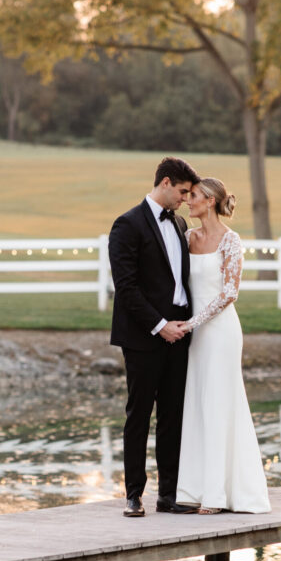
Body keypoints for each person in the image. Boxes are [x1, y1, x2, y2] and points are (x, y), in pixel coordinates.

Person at [109, 156, 201, 517]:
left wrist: (182, 324)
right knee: (139, 414)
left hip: (179, 334)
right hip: (144, 336)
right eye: (182, 192)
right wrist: (159, 324)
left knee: (173, 416)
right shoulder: (127, 225)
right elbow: (126, 288)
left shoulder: (178, 224)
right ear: (164, 183)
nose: (185, 200)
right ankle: (134, 494)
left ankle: (168, 495)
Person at [175, 177, 270, 514]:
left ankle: (218, 495)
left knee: (219, 404)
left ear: (211, 201)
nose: (189, 200)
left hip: (220, 331)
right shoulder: (187, 237)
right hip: (194, 333)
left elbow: (230, 292)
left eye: (195, 196)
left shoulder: (231, 241)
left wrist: (194, 323)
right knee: (198, 404)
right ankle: (193, 488)